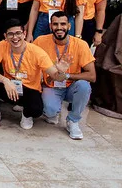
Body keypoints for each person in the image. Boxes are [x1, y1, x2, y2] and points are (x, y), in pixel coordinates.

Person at [0, 19, 65, 132]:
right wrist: (5, 80)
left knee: (36, 110)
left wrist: (61, 72)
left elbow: (55, 76)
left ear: (24, 34)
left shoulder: (37, 52)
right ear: (5, 36)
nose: (15, 37)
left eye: (18, 33)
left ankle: (26, 114)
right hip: (9, 87)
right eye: (10, 34)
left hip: (29, 89)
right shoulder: (2, 45)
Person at [33, 11, 96, 139]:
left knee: (84, 86)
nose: (59, 28)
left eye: (63, 24)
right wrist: (55, 73)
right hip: (50, 85)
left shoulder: (81, 45)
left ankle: (73, 120)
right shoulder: (40, 41)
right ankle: (53, 111)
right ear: (50, 26)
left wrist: (66, 75)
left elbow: (92, 76)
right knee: (50, 112)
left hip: (71, 87)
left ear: (69, 26)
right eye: (55, 24)